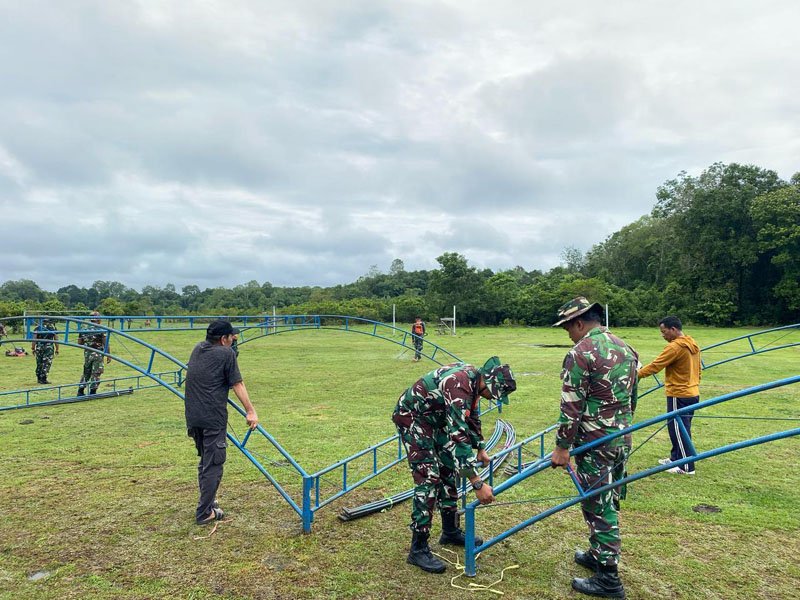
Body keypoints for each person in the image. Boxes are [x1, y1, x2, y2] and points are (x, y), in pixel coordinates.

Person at [392, 357, 517, 573]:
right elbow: (458, 434)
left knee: (448, 470)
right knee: (429, 478)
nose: (494, 398)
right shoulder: (458, 384)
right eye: (495, 394)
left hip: (435, 419)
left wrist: (480, 446)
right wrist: (477, 483)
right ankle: (418, 548)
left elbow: (472, 414)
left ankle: (449, 530)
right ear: (488, 383)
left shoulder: (474, 383)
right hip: (414, 418)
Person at [550, 297, 638, 599]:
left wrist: (563, 447)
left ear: (579, 323)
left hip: (594, 441)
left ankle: (609, 579)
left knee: (597, 504)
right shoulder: (626, 348)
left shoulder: (580, 353)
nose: (568, 334)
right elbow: (631, 398)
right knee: (607, 498)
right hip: (621, 436)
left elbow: (571, 406)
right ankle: (597, 553)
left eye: (568, 329)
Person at [185, 320, 258, 525]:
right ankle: (204, 513)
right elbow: (237, 383)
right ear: (223, 339)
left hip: (193, 416)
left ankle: (208, 501)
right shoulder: (226, 354)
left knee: (205, 462)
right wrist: (250, 411)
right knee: (214, 465)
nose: (233, 341)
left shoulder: (198, 348)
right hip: (212, 418)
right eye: (231, 338)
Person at [638, 316, 701, 475]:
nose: (663, 335)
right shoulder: (692, 343)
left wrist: (637, 374)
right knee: (681, 428)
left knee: (678, 429)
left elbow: (655, 366)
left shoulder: (675, 347)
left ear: (673, 329)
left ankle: (686, 467)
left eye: (664, 332)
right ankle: (675, 459)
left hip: (679, 393)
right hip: (692, 392)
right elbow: (699, 368)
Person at [77, 312, 111, 396]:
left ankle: (80, 390)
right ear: (98, 319)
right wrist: (108, 355)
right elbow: (105, 343)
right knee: (96, 372)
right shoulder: (100, 329)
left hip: (87, 353)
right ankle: (93, 392)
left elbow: (79, 342)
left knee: (86, 372)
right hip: (97, 353)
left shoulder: (84, 328)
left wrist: (88, 342)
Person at [32, 319, 59, 384]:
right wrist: (57, 349)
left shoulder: (37, 328)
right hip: (48, 347)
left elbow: (34, 339)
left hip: (39, 347)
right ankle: (43, 378)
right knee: (47, 363)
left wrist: (33, 348)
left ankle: (39, 377)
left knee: (39, 362)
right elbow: (56, 339)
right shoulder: (53, 328)